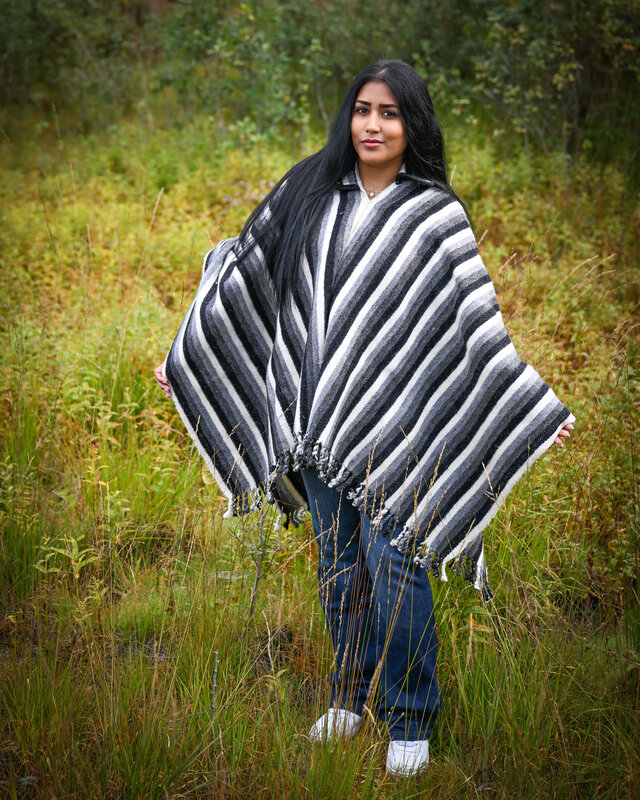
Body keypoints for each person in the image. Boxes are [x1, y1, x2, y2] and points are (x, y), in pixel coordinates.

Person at [155, 59, 574, 777]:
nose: (373, 126)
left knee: (394, 565)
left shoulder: (433, 213)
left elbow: (478, 323)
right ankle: (349, 699)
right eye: (362, 110)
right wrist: (188, 351)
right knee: (338, 563)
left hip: (397, 429)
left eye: (389, 113)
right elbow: (244, 269)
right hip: (317, 417)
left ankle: (411, 714)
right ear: (347, 116)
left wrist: (525, 402)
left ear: (413, 124)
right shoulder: (311, 189)